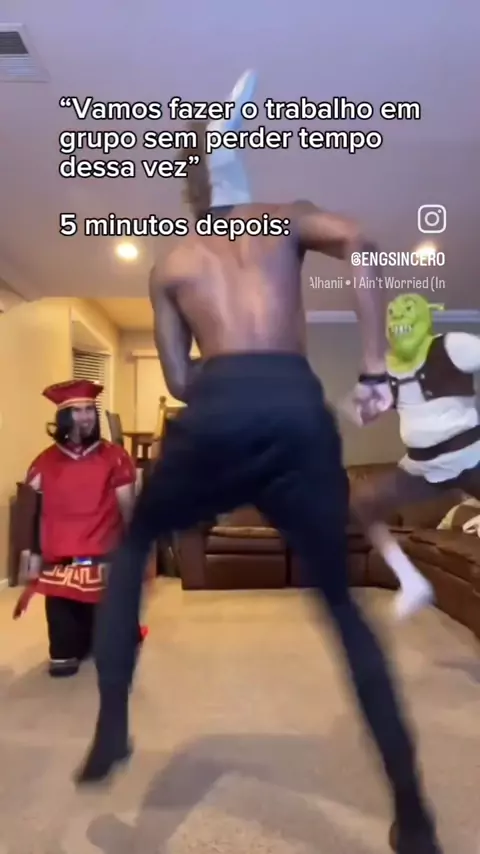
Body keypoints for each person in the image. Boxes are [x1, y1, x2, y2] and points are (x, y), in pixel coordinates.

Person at [75, 71, 443, 853]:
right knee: (341, 607)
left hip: (220, 404)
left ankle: (111, 726)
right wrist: (374, 367)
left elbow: (179, 382)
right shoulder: (287, 217)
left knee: (132, 544)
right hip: (295, 405)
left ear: (191, 191)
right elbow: (361, 244)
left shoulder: (172, 264)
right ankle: (413, 812)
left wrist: (220, 385)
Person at [351, 292, 480, 620]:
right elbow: (366, 413)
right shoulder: (389, 368)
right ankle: (411, 582)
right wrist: (365, 405)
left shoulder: (453, 345)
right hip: (420, 468)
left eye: (407, 309)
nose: (398, 318)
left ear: (426, 316)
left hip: (469, 459)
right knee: (363, 502)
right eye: (393, 313)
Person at [15, 379, 145, 677]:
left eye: (89, 410)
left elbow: (127, 507)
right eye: (77, 411)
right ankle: (69, 645)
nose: (86, 417)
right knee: (63, 658)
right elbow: (30, 511)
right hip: (60, 564)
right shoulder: (44, 462)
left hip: (103, 559)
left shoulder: (115, 457)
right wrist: (29, 553)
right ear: (63, 416)